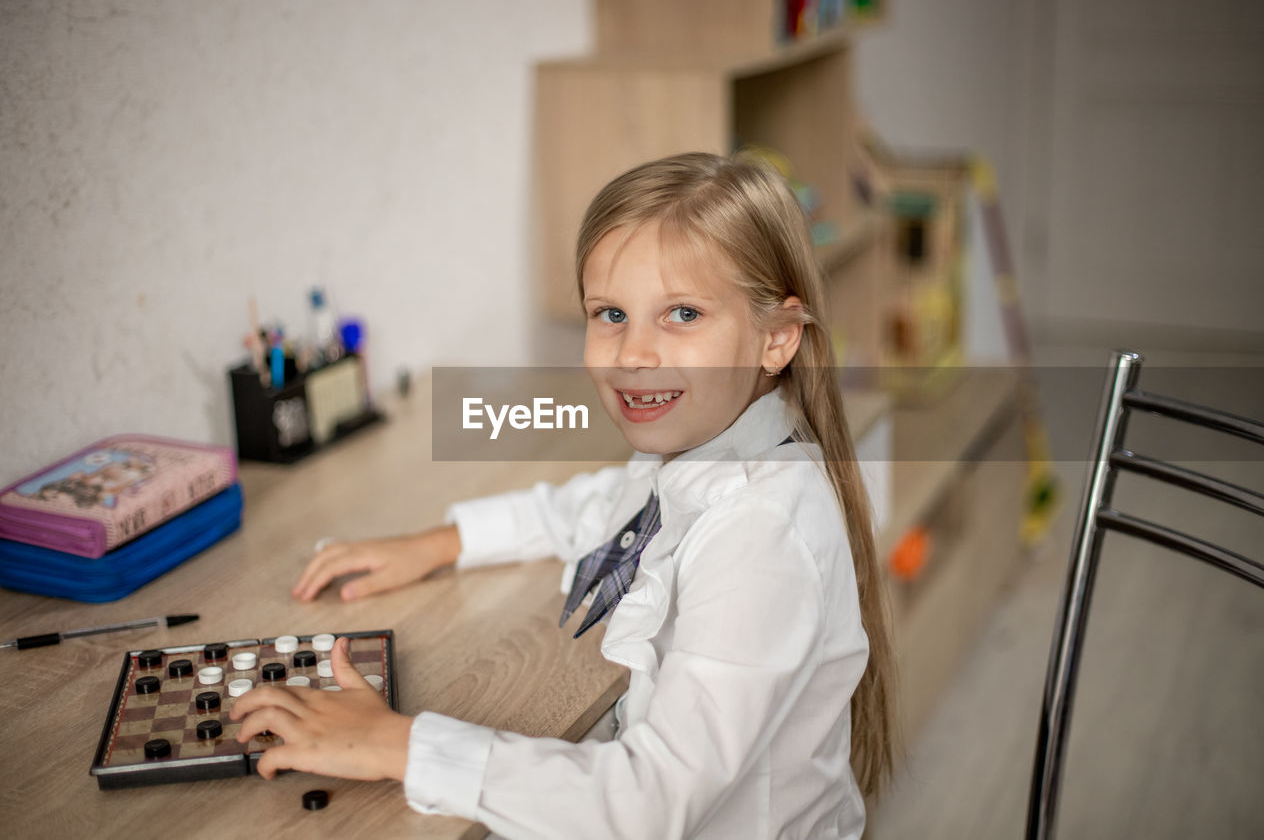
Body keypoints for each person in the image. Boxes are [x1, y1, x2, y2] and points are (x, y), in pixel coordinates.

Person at [231, 152, 897, 839]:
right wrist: (440, 543)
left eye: (683, 313)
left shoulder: (762, 530)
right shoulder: (699, 451)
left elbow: (646, 802)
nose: (633, 352)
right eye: (610, 313)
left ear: (777, 338)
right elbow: (596, 507)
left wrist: (399, 744)